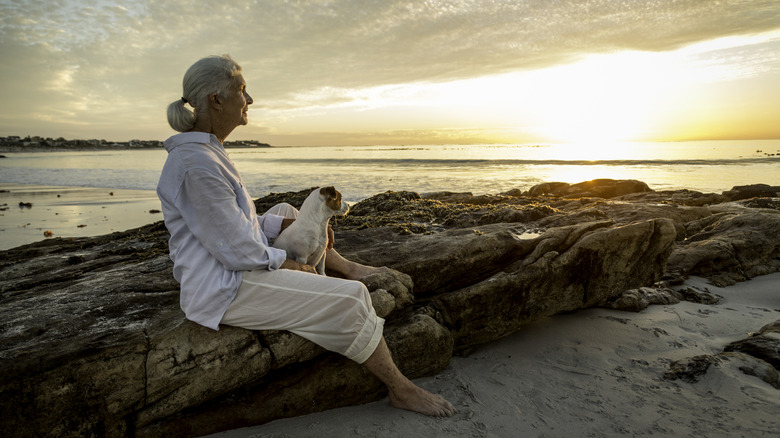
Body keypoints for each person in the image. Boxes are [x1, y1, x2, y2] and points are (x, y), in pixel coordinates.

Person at [158, 55, 454, 417]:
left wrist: (277, 228)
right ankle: (401, 389)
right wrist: (292, 265)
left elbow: (235, 223)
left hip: (230, 261)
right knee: (352, 297)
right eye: (242, 91)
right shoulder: (196, 165)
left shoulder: (208, 151)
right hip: (223, 287)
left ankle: (345, 265)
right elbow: (234, 249)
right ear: (216, 100)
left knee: (287, 212)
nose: (249, 100)